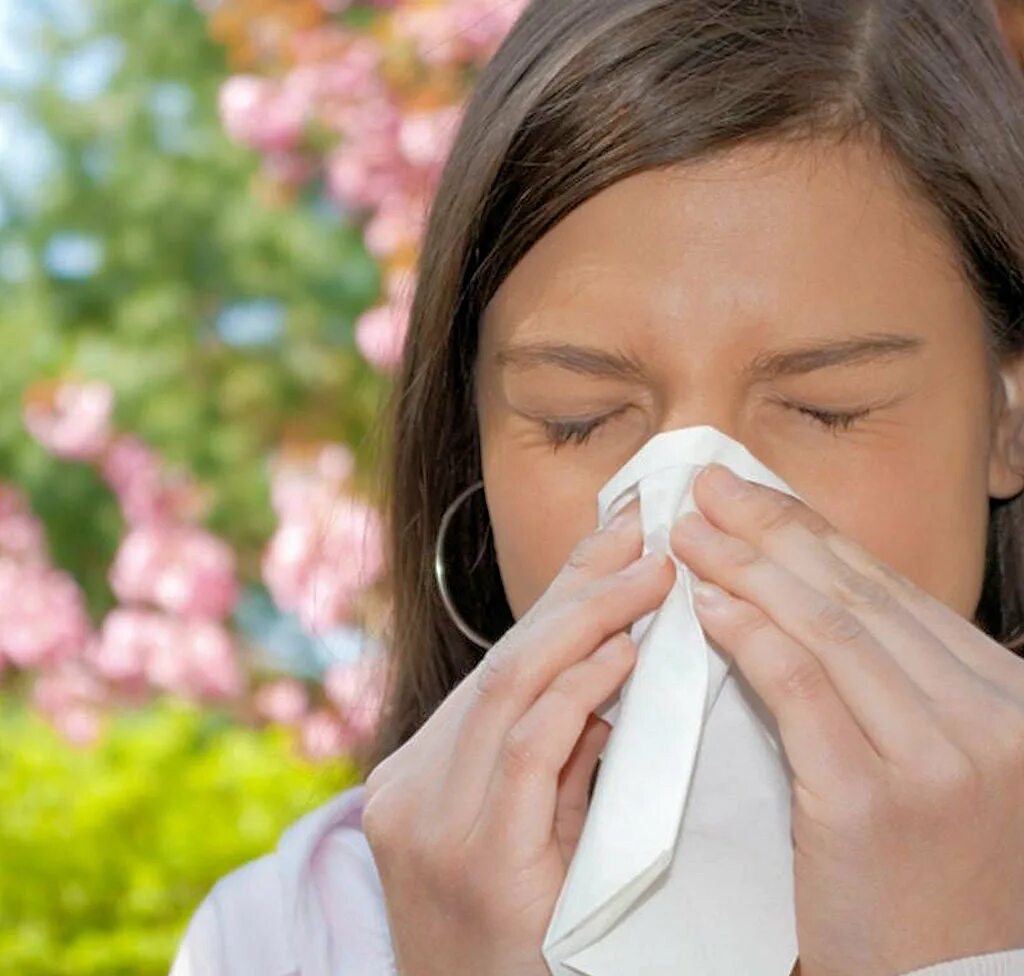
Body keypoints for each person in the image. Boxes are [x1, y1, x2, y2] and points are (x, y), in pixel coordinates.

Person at [170, 1, 1024, 973]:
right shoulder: (295, 933)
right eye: (576, 415)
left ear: (1007, 417)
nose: (694, 505)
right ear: (476, 442)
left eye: (826, 407)